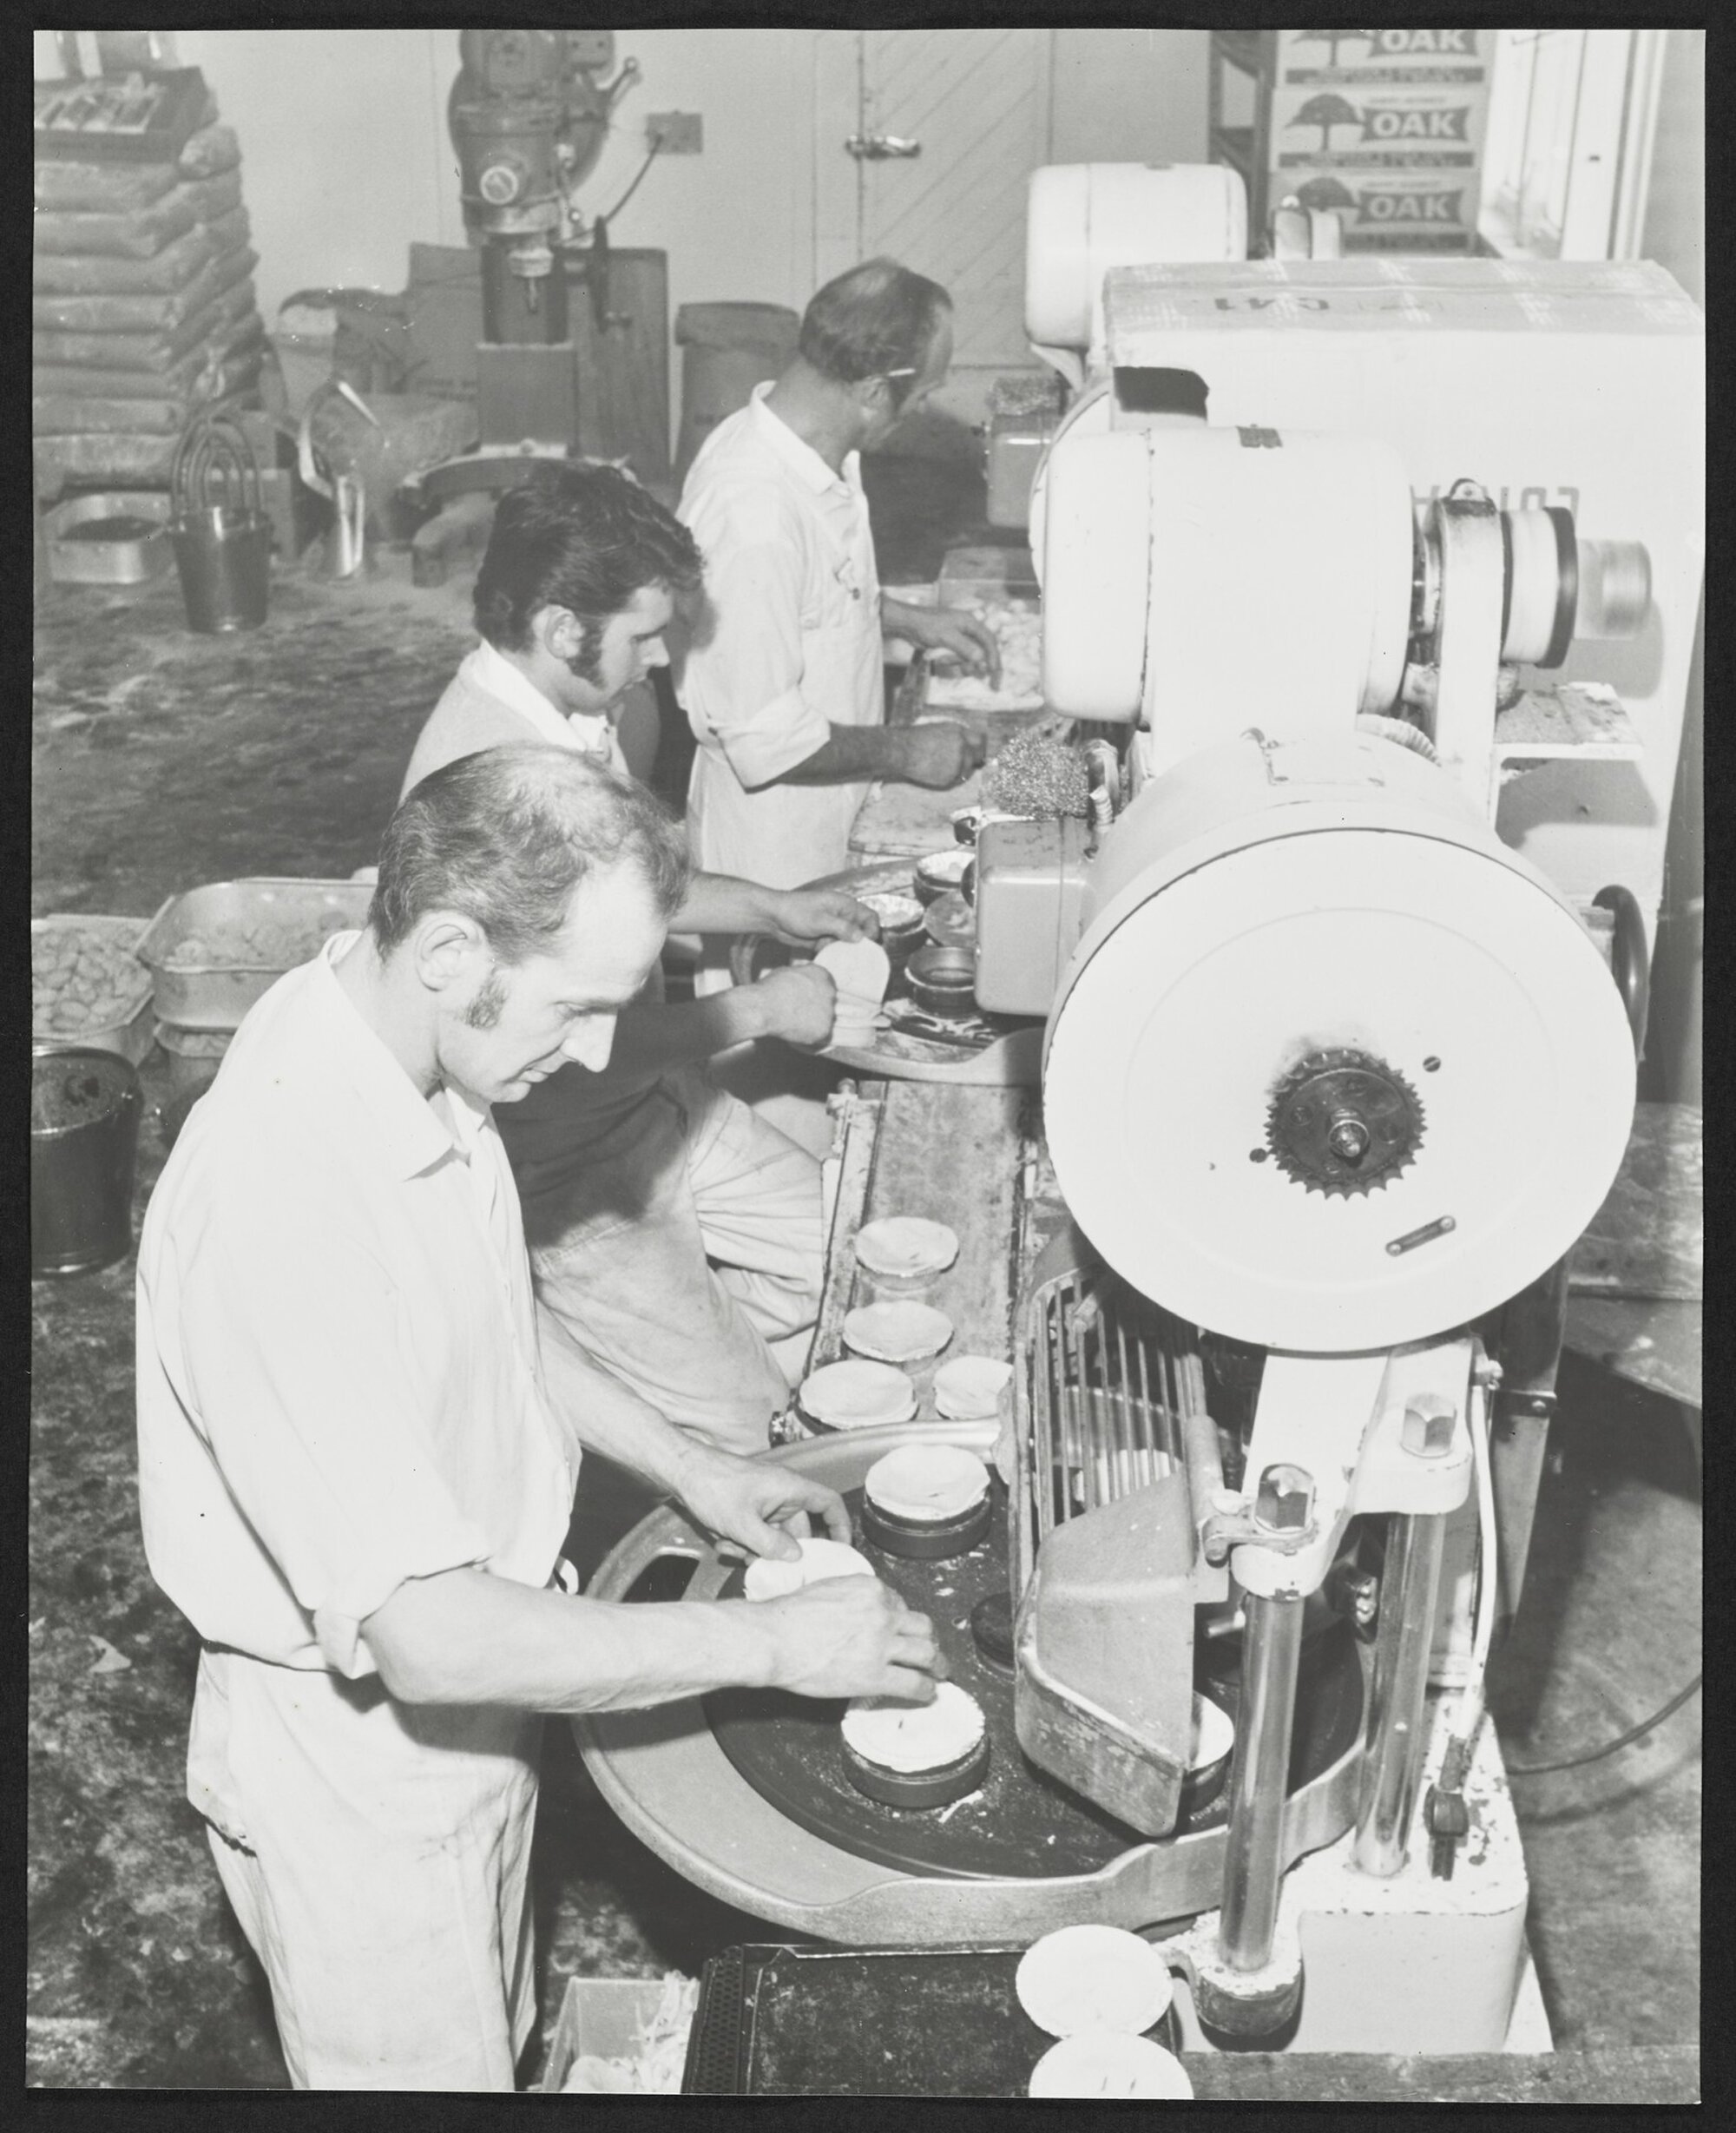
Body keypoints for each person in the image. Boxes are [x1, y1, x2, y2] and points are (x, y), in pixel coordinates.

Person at [136, 746, 942, 2091]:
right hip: (365, 1773)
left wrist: (700, 1467)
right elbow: (434, 1639)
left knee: (496, 2040)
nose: (591, 1055)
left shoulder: (409, 1038)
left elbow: (488, 1321)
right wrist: (773, 1642)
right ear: (453, 944)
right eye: (574, 1009)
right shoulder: (287, 1208)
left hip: (478, 1697)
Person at [404, 467, 876, 1456]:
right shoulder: (498, 786)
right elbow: (573, 1047)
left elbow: (628, 886)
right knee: (764, 1441)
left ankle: (693, 1359)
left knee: (863, 1260)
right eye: (643, 635)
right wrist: (763, 1010)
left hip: (656, 1107)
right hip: (571, 1170)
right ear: (561, 624)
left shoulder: (565, 714)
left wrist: (770, 905)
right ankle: (661, 1411)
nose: (664, 657)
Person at [674, 257, 1005, 951]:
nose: (924, 412)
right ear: (874, 390)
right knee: (782, 1042)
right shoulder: (753, 511)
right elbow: (766, 738)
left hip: (836, 812)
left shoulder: (816, 451)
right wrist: (908, 751)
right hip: (778, 860)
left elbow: (810, 592)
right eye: (923, 396)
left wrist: (905, 617)